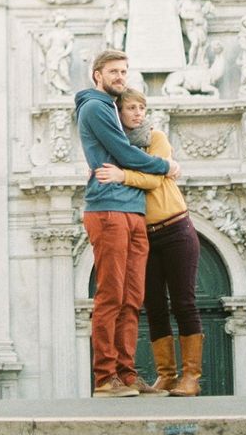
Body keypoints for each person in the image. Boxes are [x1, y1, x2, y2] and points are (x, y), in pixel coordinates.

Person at [75, 49, 180, 397]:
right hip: (107, 210)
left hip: (133, 210)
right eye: (113, 72)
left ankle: (127, 374)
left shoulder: (114, 110)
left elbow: (129, 154)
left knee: (132, 297)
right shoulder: (94, 107)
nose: (121, 77)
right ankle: (105, 378)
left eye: (124, 71)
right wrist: (164, 166)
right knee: (111, 295)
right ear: (97, 75)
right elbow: (123, 153)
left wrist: (137, 170)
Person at [95, 88, 203, 396]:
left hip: (176, 229)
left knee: (184, 302)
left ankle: (191, 377)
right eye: (131, 107)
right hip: (145, 235)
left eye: (142, 107)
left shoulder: (156, 139)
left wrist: (122, 176)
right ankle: (166, 375)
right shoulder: (116, 147)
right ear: (118, 113)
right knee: (154, 306)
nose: (138, 113)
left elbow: (156, 178)